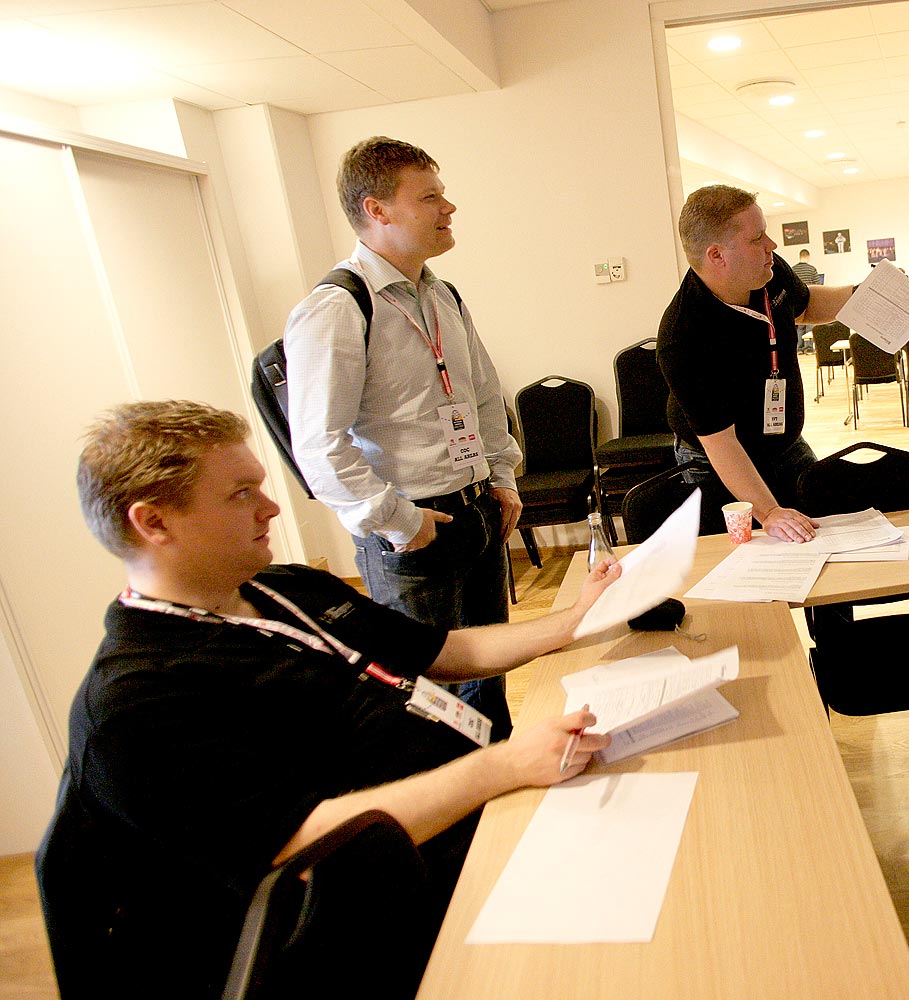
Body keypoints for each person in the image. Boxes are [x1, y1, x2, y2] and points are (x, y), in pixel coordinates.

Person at [43, 400, 617, 999]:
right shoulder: (135, 703)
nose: (269, 508)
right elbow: (297, 842)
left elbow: (443, 650)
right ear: (154, 523)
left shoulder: (284, 587)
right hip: (353, 928)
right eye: (241, 494)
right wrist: (502, 766)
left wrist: (569, 623)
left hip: (462, 833)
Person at [283, 136, 522, 735]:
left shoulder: (441, 293)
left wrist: (501, 478)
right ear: (378, 210)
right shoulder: (338, 307)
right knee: (427, 700)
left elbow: (483, 396)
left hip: (478, 514)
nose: (450, 208)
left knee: (488, 678)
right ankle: (453, 816)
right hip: (412, 533)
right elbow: (318, 444)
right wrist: (398, 521)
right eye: (431, 197)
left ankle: (502, 785)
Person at [657, 184, 854, 542]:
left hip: (783, 441)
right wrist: (768, 511)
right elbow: (721, 443)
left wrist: (860, 297)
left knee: (819, 535)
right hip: (715, 460)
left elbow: (806, 306)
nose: (772, 247)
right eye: (757, 238)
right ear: (717, 256)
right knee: (746, 559)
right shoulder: (682, 338)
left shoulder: (767, 270)